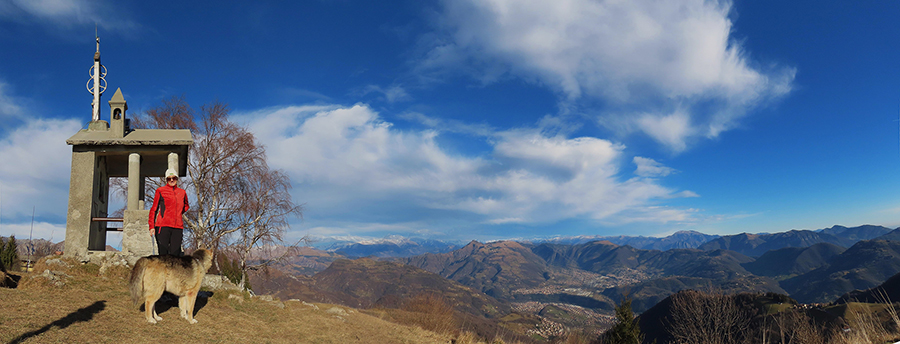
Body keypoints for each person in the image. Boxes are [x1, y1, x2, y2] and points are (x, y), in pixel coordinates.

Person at [149, 168, 189, 256]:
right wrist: (151, 226)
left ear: (177, 178)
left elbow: (186, 206)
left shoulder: (182, 192)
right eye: (169, 178)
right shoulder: (160, 191)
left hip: (177, 227)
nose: (171, 180)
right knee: (163, 255)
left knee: (175, 256)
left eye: (173, 178)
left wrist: (178, 213)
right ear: (166, 179)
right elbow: (154, 209)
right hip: (163, 226)